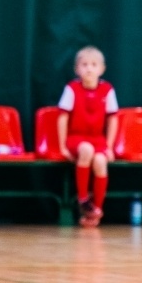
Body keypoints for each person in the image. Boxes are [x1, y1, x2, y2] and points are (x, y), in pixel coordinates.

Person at [57, 46, 119, 227]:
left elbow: (113, 119)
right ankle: (83, 199)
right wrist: (62, 146)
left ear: (102, 69)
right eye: (84, 65)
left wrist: (108, 146)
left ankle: (96, 210)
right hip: (76, 139)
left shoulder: (107, 90)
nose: (89, 69)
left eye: (94, 65)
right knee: (87, 150)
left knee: (100, 161)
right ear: (77, 69)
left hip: (98, 140)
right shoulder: (72, 89)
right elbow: (62, 117)